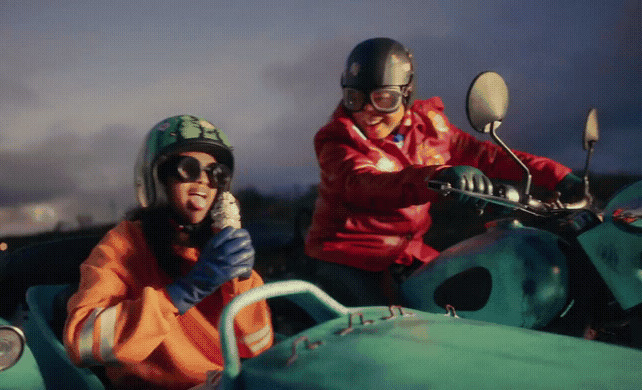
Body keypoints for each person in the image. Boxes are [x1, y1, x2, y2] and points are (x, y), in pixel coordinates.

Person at [303, 38, 582, 307]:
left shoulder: (430, 126)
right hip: (350, 256)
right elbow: (367, 184)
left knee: (463, 304)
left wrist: (556, 174)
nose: (367, 110)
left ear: (406, 94)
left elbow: (485, 155)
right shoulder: (337, 140)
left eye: (383, 99)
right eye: (354, 98)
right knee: (387, 334)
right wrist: (437, 177)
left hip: (408, 253)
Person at [63, 115, 273, 389]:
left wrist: (241, 285)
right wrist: (183, 292)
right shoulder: (123, 244)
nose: (205, 182)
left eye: (216, 173)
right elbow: (82, 342)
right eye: (187, 169)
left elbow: (256, 346)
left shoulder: (217, 245)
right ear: (155, 180)